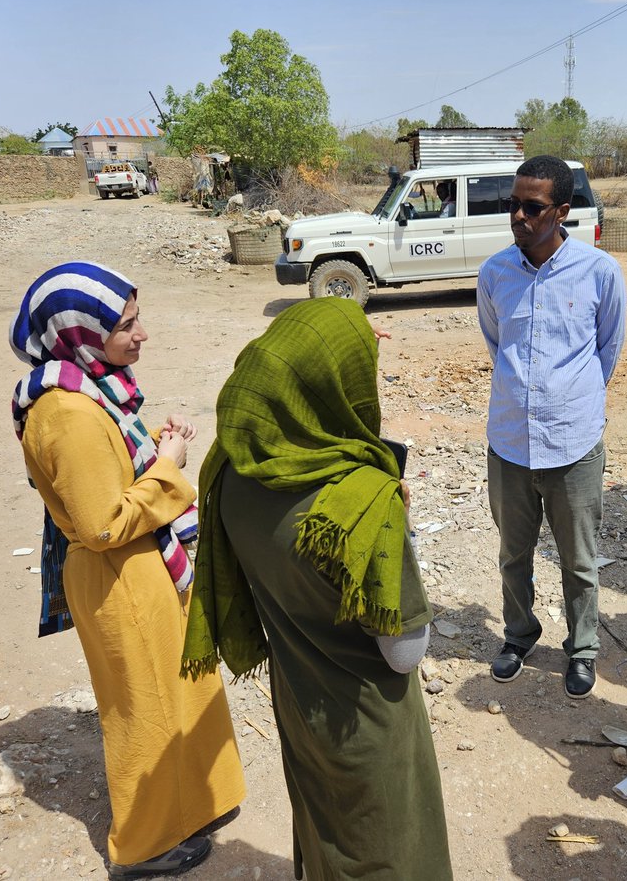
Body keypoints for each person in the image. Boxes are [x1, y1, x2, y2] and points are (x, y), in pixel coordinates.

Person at [181, 298, 452, 880]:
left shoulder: (230, 471)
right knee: (388, 850)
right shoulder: (362, 504)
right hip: (367, 723)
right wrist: (394, 525)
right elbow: (404, 652)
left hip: (299, 704)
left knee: (324, 833)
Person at [9, 261, 245, 879]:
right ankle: (146, 842)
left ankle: (197, 801)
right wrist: (169, 466)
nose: (141, 335)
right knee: (144, 710)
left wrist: (154, 454)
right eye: (126, 325)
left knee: (180, 688)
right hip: (120, 577)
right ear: (81, 332)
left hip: (140, 568)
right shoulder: (67, 414)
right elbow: (102, 524)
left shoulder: (93, 389)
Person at [478, 154, 627, 700]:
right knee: (513, 554)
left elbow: (607, 350)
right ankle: (519, 635)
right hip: (510, 442)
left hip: (573, 441)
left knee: (578, 559)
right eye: (512, 204)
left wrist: (571, 401)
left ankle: (582, 649)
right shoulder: (494, 273)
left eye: (532, 207)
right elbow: (498, 345)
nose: (518, 215)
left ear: (562, 211)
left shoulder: (599, 272)